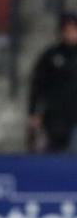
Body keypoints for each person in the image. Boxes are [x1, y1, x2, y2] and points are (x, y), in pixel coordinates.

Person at [28, 13, 77, 152]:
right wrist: (33, 112)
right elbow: (37, 84)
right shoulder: (51, 55)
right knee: (56, 157)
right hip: (56, 118)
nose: (72, 34)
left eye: (74, 30)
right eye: (68, 30)